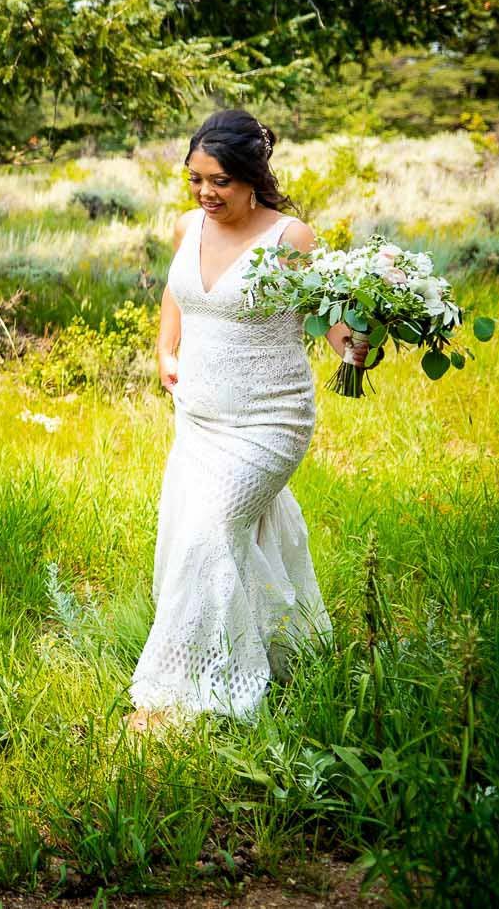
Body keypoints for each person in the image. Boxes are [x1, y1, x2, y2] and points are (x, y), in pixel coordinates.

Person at [128, 109, 357, 726]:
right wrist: (165, 348)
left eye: (221, 180)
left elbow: (331, 321)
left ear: (253, 175)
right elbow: (178, 290)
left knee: (209, 533)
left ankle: (181, 693)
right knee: (199, 531)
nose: (206, 192)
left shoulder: (290, 239)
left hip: (269, 421)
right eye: (197, 179)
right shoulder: (187, 227)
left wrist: (357, 346)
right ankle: (287, 646)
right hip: (199, 414)